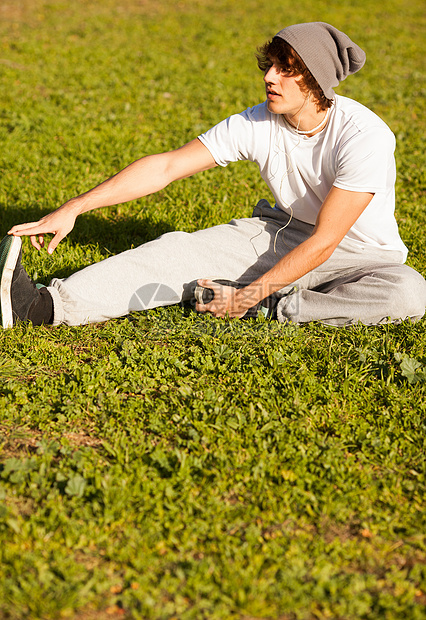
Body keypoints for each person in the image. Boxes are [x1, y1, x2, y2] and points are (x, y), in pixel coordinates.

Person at [1, 21, 425, 329]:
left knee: (410, 293)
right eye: (271, 64)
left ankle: (274, 306)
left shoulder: (364, 135)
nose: (269, 77)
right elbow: (166, 166)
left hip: (363, 258)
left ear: (317, 81)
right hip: (284, 233)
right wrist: (77, 206)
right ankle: (42, 307)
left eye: (286, 69)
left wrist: (247, 297)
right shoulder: (258, 122)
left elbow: (327, 241)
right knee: (176, 253)